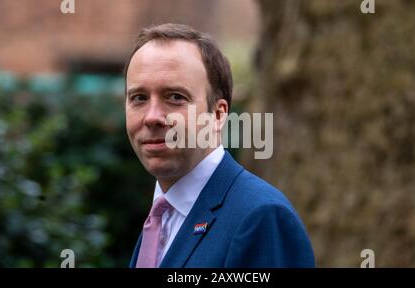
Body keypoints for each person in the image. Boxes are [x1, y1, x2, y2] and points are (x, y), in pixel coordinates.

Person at [124, 23, 315, 268]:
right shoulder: (161, 216)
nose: (152, 117)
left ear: (218, 114)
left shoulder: (261, 217)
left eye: (175, 97)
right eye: (139, 98)